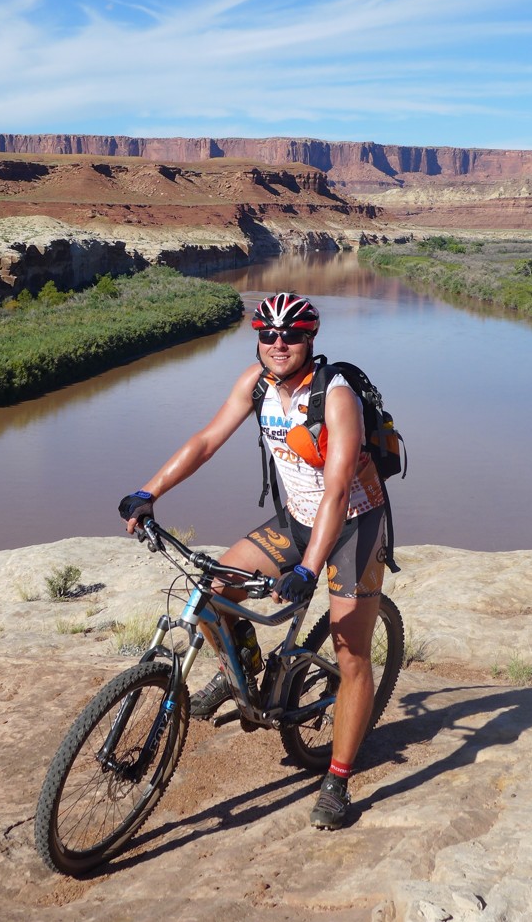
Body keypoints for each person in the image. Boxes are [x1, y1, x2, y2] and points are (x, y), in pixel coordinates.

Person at [118, 291, 388, 831]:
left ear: (310, 339)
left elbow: (336, 491)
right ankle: (242, 671)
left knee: (349, 649)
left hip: (353, 525)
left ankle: (336, 778)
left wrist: (308, 570)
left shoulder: (335, 397)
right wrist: (148, 493)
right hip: (297, 519)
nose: (278, 343)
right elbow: (206, 441)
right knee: (212, 590)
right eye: (268, 335)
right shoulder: (256, 383)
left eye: (290, 335)